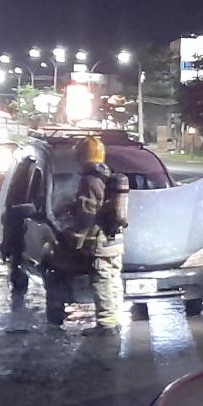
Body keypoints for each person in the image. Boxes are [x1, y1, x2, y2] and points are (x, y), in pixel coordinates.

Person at [56, 136, 127, 336]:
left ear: (81, 156)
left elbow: (88, 213)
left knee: (102, 280)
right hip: (115, 238)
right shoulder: (107, 174)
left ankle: (106, 325)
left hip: (100, 239)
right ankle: (114, 320)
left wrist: (76, 239)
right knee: (113, 279)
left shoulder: (90, 180)